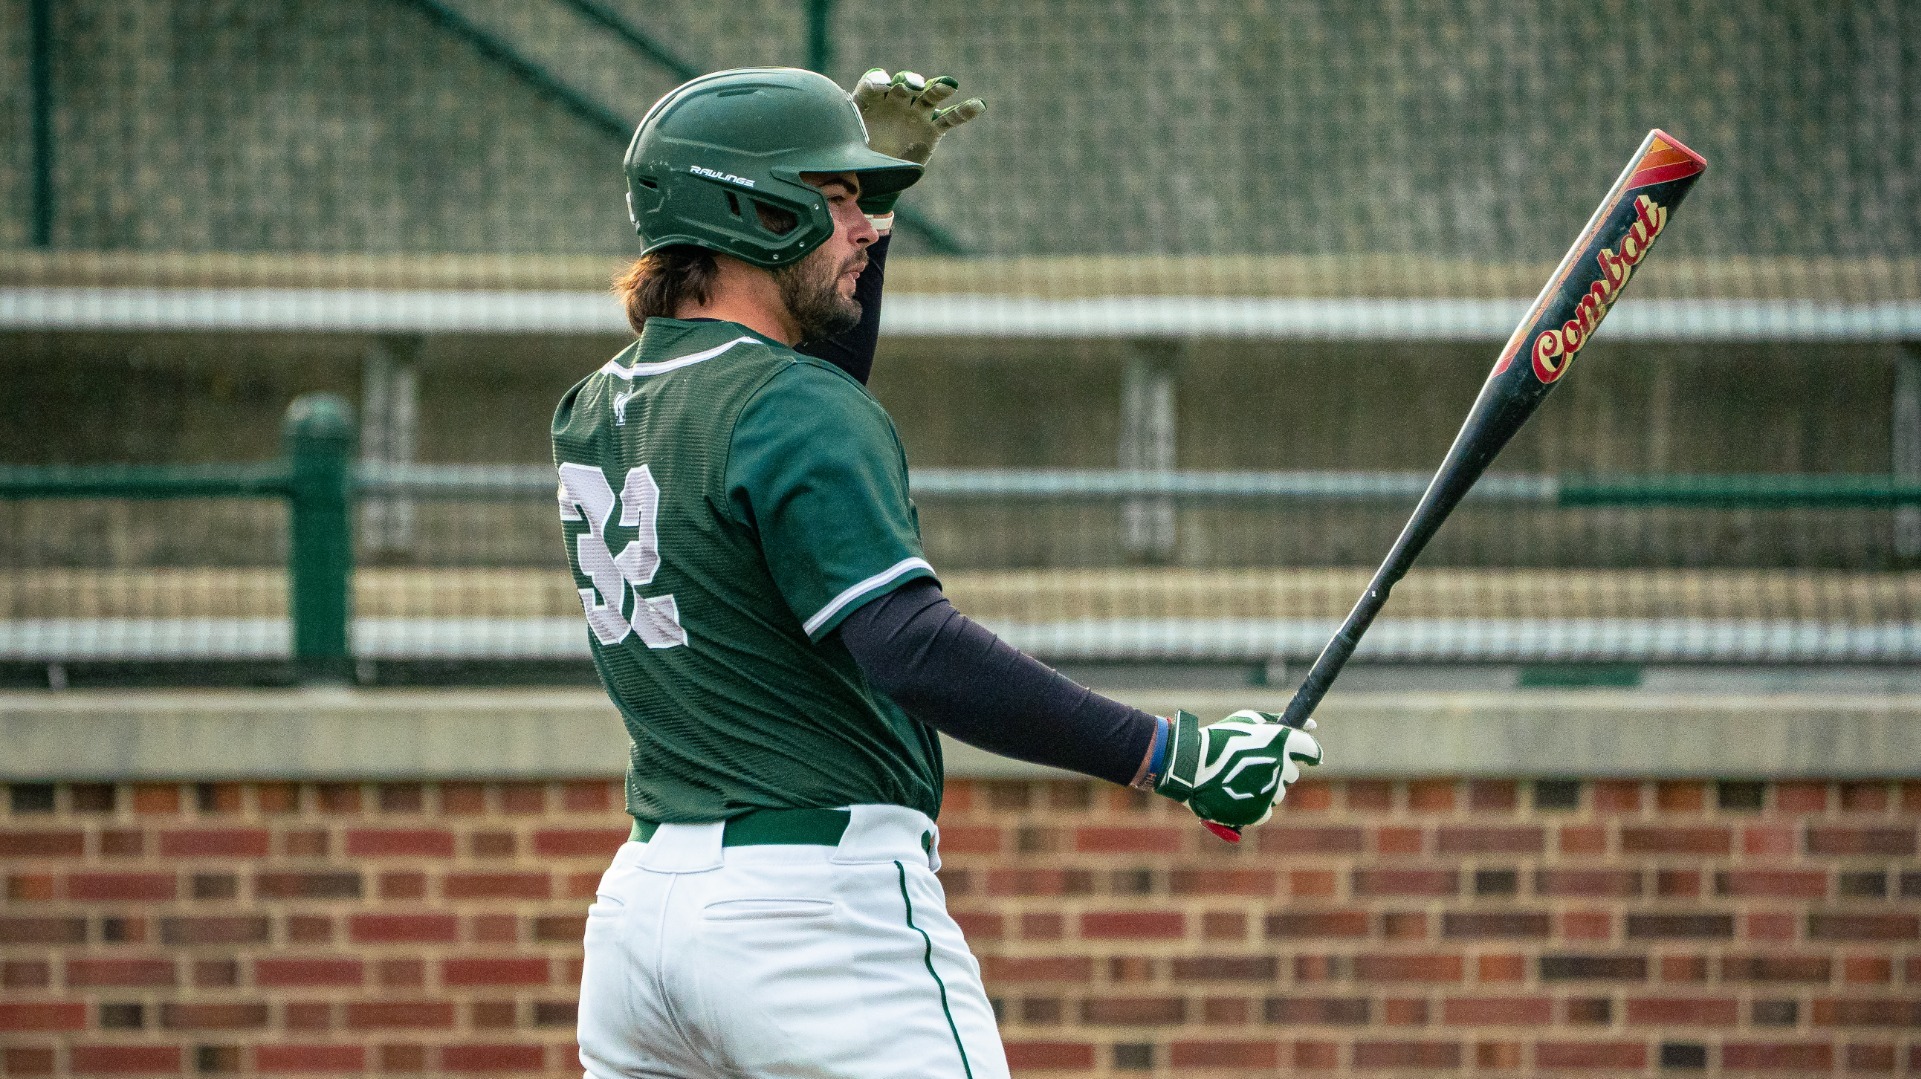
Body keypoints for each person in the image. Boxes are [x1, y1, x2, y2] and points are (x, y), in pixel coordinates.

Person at [554, 66, 1324, 1079]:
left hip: (641, 923)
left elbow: (793, 405)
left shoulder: (597, 403)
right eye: (834, 201)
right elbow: (910, 645)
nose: (865, 229)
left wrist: (869, 194)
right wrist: (1167, 751)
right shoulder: (791, 410)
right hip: (813, 918)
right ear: (757, 209)